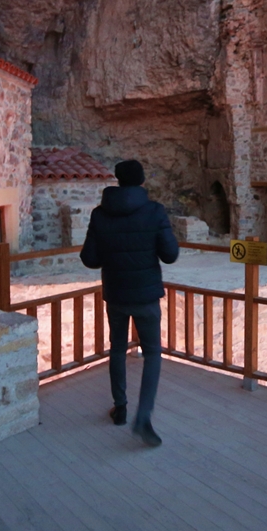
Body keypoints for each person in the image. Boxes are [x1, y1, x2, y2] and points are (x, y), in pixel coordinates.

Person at [80, 159, 179, 446]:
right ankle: (143, 416)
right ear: (142, 180)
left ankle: (120, 408)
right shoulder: (154, 211)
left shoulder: (100, 214)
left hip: (117, 295)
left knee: (117, 349)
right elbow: (170, 255)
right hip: (146, 296)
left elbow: (89, 259)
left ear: (118, 180)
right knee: (153, 354)